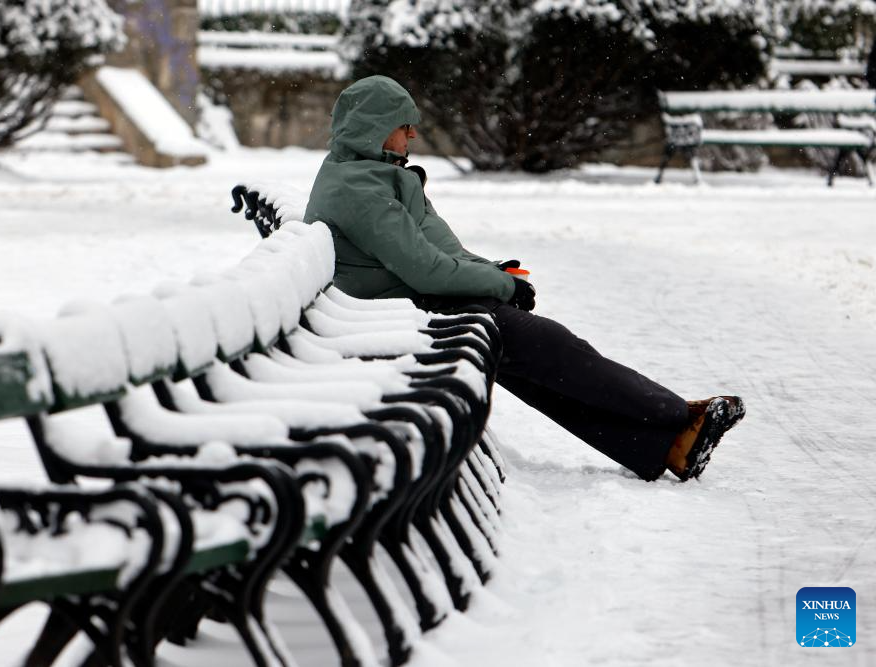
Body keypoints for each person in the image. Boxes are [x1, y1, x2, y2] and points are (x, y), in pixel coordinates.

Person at [303, 75, 744, 482]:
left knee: (536, 362)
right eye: (404, 125)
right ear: (375, 127)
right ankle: (676, 417)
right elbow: (425, 269)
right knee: (549, 345)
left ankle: (666, 443)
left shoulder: (376, 175)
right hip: (401, 312)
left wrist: (491, 273)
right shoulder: (358, 189)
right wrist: (500, 286)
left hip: (407, 304)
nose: (412, 134)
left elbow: (440, 252)